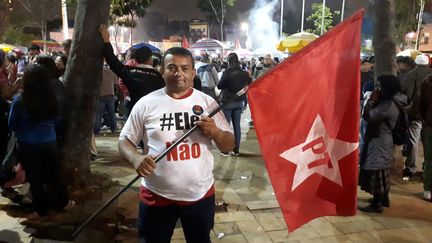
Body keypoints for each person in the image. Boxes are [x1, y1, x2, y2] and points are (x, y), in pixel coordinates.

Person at [118, 46, 235, 243]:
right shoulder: (146, 104)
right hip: (155, 196)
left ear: (193, 72)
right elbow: (125, 141)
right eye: (172, 67)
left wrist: (214, 132)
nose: (178, 73)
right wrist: (135, 158)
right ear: (162, 71)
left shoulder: (208, 103)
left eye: (185, 68)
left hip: (200, 195)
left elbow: (229, 145)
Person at [8, 64, 72, 217]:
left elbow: (12, 124)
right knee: (55, 175)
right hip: (49, 142)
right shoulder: (51, 99)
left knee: (35, 178)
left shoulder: (19, 101)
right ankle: (63, 202)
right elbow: (57, 120)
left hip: (27, 145)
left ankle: (42, 209)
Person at [359, 75, 410, 213]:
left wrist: (370, 101)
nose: (377, 89)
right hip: (381, 140)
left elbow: (369, 116)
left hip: (380, 141)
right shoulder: (391, 101)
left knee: (377, 171)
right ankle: (383, 198)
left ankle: (377, 203)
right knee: (382, 171)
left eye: (380, 86)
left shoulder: (388, 104)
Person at [100, 25, 165, 114]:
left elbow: (113, 61)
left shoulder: (129, 73)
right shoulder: (158, 77)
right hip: (153, 114)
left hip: (134, 112)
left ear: (136, 59)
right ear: (150, 59)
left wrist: (106, 40)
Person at [401, 54, 432, 180]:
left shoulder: (412, 74)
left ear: (416, 63)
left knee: (413, 141)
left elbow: (407, 93)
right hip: (429, 116)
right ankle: (426, 168)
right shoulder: (430, 76)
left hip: (416, 113)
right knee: (428, 142)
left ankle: (411, 168)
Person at [217, 53, 251, 156]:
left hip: (227, 102)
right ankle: (236, 149)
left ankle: (226, 150)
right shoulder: (244, 73)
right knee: (237, 126)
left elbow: (219, 86)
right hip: (239, 102)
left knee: (226, 126)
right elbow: (247, 86)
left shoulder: (227, 72)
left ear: (229, 61)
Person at [419, 74, 432, 201]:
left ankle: (428, 189)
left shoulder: (427, 81)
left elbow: (421, 104)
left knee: (429, 158)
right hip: (429, 123)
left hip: (429, 124)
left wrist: (426, 119)